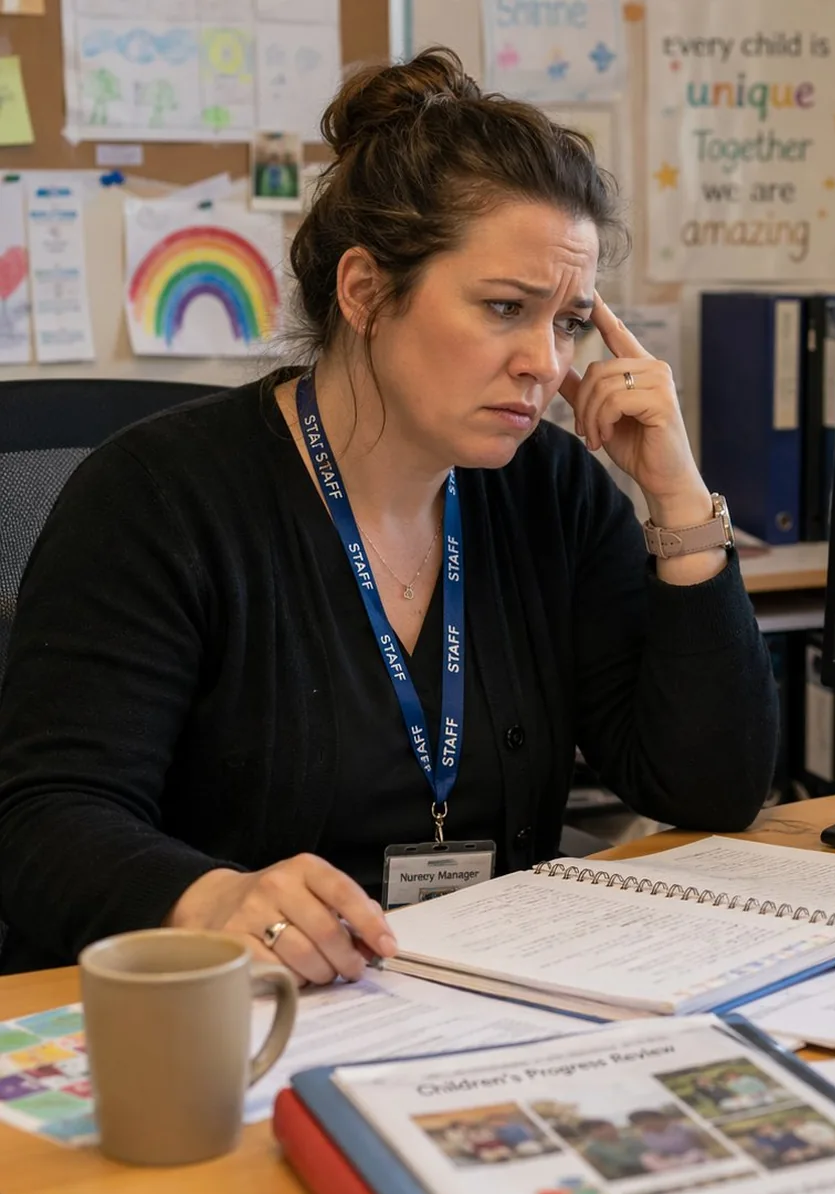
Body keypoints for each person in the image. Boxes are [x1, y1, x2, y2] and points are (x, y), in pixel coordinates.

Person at [0, 48, 778, 977]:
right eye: (503, 307)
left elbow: (710, 791)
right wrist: (215, 898)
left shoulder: (552, 490)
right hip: (241, 1006)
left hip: (486, 997)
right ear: (366, 292)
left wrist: (678, 499)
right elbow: (43, 818)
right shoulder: (159, 498)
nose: (545, 360)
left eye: (568, 320)